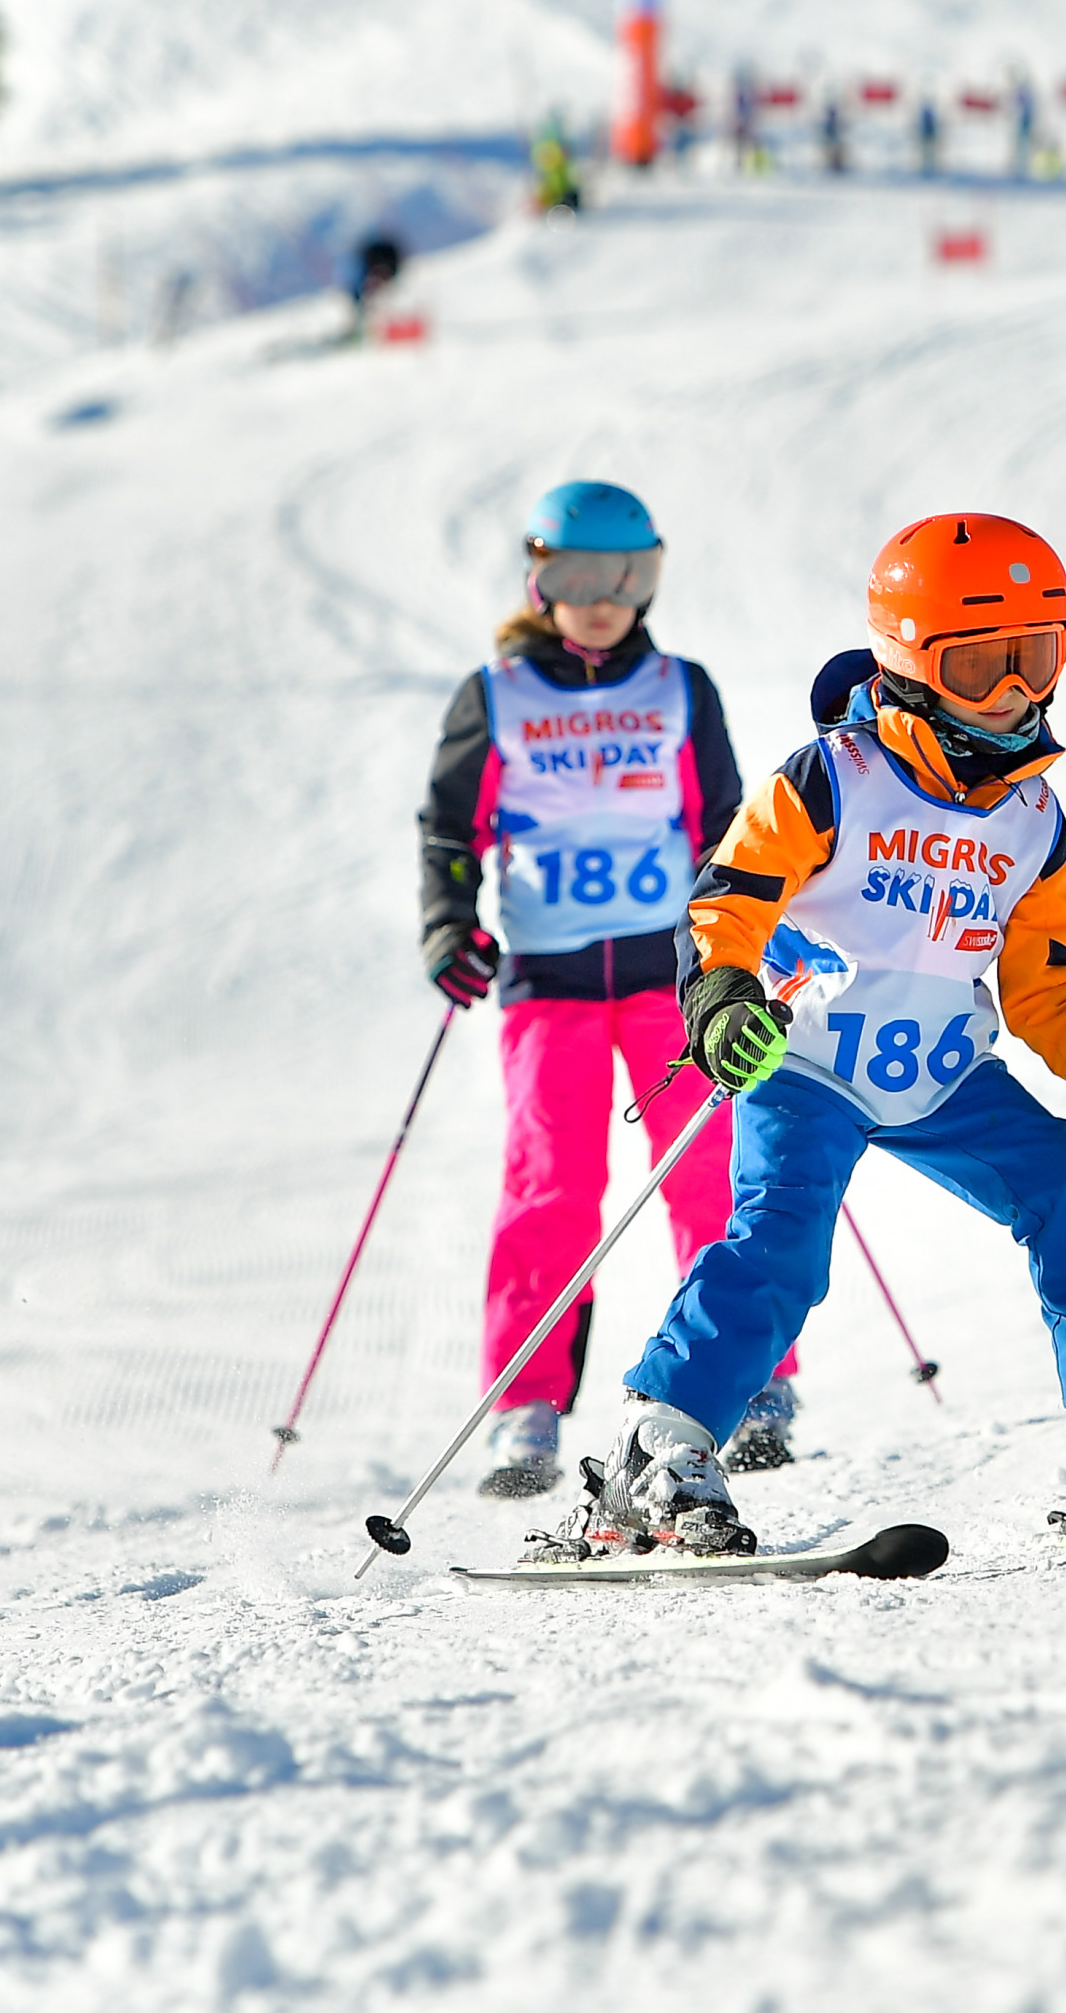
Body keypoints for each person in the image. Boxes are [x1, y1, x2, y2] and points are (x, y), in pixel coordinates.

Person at [575, 513, 1066, 1557]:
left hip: (943, 1075)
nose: (1014, 696)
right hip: (809, 1063)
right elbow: (722, 906)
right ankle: (659, 1453)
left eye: (1034, 660)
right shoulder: (832, 777)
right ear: (910, 666)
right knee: (781, 1242)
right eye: (980, 669)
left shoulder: (1031, 818)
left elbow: (1042, 983)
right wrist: (724, 999)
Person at [418, 481, 796, 1498]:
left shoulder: (682, 689)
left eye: (628, 576)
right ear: (541, 578)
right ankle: (525, 1405)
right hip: (548, 980)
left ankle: (749, 1378)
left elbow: (729, 829)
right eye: (580, 575)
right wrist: (450, 925)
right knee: (551, 1184)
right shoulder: (495, 695)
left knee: (709, 1167)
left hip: (672, 977)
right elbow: (450, 833)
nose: (603, 598)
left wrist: (741, 950)